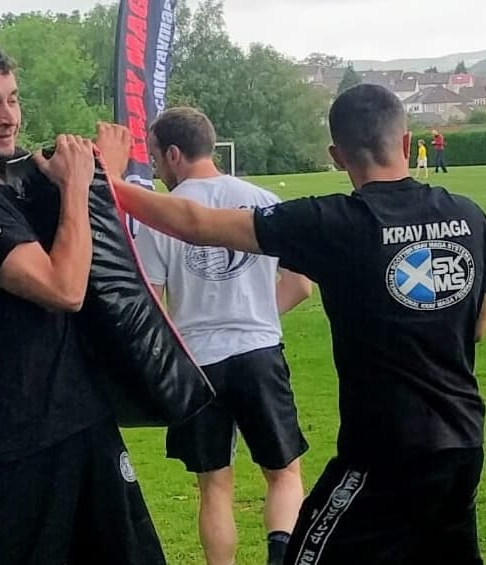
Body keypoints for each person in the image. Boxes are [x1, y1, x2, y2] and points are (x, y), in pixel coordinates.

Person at [100, 83, 486, 564]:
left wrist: (107, 180)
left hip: (382, 454)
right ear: (405, 141)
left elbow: (196, 223)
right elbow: (479, 325)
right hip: (464, 444)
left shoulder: (333, 223)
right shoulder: (469, 216)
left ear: (337, 156)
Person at [0, 39, 165, 565]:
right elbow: (63, 289)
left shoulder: (3, 189)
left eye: (12, 99)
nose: (8, 117)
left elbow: (86, 252)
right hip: (8, 446)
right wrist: (77, 188)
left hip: (81, 422)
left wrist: (96, 178)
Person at [127, 109, 312, 565]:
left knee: (214, 485)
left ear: (174, 154)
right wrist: (255, 312)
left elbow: (152, 304)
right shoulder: (263, 201)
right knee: (284, 474)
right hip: (258, 352)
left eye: (155, 157)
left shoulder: (161, 217)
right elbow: (301, 286)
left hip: (196, 363)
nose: (156, 167)